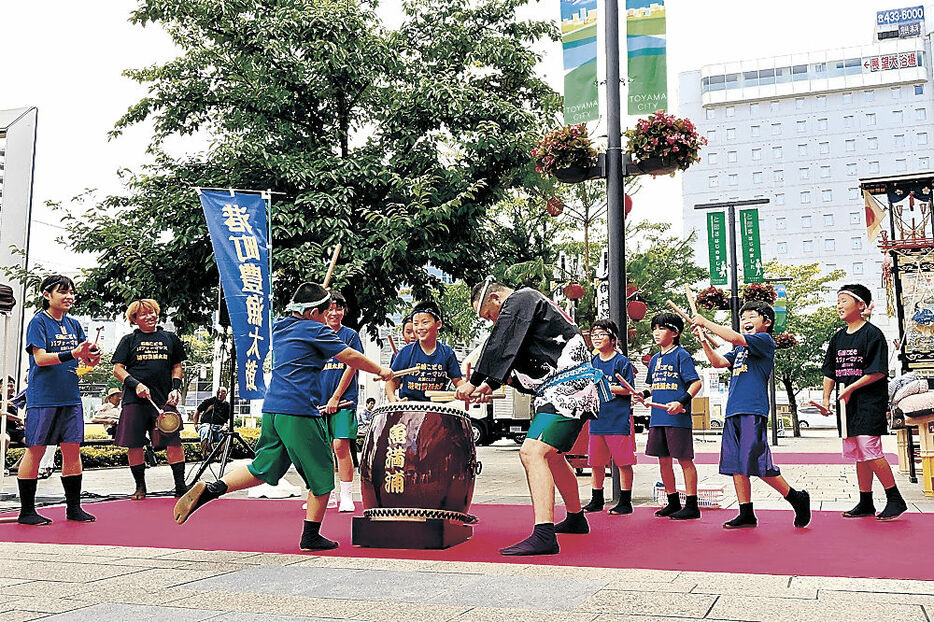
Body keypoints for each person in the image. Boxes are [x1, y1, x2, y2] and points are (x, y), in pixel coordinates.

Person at [173, 282, 394, 552]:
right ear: (314, 313)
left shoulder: (280, 326)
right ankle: (311, 536)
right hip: (299, 410)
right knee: (322, 476)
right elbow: (348, 355)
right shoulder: (316, 328)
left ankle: (212, 489)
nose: (329, 317)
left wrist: (313, 308)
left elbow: (302, 317)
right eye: (325, 312)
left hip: (273, 409)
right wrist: (380, 370)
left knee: (263, 468)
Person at [455, 281, 607, 556]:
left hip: (567, 389)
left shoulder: (521, 299)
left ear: (495, 297)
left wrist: (475, 379)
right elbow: (517, 360)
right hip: (564, 388)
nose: (493, 321)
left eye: (489, 314)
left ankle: (544, 534)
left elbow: (501, 342)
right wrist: (486, 386)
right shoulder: (529, 315)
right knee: (551, 455)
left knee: (531, 452)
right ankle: (575, 517)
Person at [692, 301, 812, 529]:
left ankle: (795, 497)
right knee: (737, 464)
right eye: (743, 317)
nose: (745, 321)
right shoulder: (739, 351)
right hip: (733, 411)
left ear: (766, 322)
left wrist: (705, 321)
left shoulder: (764, 341)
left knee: (756, 461)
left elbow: (736, 337)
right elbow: (717, 362)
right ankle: (746, 512)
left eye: (751, 316)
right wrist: (703, 339)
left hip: (753, 411)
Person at [17, 274, 99, 525]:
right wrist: (72, 352)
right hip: (44, 397)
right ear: (46, 295)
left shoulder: (74, 324)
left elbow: (82, 358)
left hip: (70, 397)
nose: (69, 296)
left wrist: (91, 357)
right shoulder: (38, 322)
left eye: (71, 291)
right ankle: (27, 511)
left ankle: (73, 508)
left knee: (72, 449)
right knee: (36, 449)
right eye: (62, 291)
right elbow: (40, 358)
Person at [821, 284, 907, 521]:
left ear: (861, 305)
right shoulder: (837, 338)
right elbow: (830, 371)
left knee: (869, 449)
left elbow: (878, 372)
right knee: (859, 452)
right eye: (838, 301)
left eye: (844, 300)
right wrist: (826, 399)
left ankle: (895, 498)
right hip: (847, 404)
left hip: (869, 401)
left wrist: (850, 387)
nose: (839, 305)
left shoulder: (873, 334)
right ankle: (866, 501)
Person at [112, 299, 188, 500]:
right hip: (134, 400)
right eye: (144, 314)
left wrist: (175, 389)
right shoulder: (128, 340)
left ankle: (180, 486)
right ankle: (140, 487)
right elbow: (117, 369)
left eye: (153, 312)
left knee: (174, 441)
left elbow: (177, 367)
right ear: (134, 319)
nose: (150, 316)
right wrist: (135, 384)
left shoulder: (170, 338)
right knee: (134, 444)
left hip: (163, 400)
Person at [643, 313, 703, 520]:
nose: (656, 333)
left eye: (661, 328)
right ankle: (673, 500)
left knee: (684, 459)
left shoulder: (681, 355)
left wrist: (681, 402)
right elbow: (651, 386)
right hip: (658, 417)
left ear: (675, 333)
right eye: (654, 328)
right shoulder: (654, 360)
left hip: (677, 417)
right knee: (663, 460)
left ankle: (692, 503)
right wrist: (642, 396)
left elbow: (696, 383)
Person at [582, 320, 638, 516]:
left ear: (613, 338)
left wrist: (605, 387)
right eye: (593, 335)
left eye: (601, 334)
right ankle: (597, 499)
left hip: (617, 419)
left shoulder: (622, 362)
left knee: (623, 462)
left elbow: (628, 389)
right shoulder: (592, 362)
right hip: (597, 418)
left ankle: (625, 500)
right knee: (596, 463)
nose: (596, 338)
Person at [319, 290, 364, 512]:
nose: (334, 312)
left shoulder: (350, 336)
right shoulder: (314, 334)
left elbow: (352, 365)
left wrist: (336, 397)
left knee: (340, 445)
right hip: (317, 402)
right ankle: (326, 494)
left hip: (344, 401)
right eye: (330, 308)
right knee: (323, 449)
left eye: (339, 308)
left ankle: (346, 495)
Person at [386, 301, 464, 402]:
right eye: (416, 324)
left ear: (438, 324)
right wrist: (392, 398)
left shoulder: (447, 353)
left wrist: (469, 389)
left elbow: (458, 381)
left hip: (436, 407)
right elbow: (392, 380)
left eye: (425, 322)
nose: (420, 328)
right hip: (409, 407)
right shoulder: (406, 352)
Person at [194, 387, 231, 457]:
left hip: (219, 427)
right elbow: (197, 411)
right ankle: (206, 453)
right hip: (207, 425)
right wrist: (195, 424)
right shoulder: (210, 401)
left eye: (223, 392)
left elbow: (229, 419)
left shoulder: (227, 405)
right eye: (219, 392)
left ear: (226, 394)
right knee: (206, 431)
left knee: (226, 435)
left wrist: (227, 426)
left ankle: (221, 455)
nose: (220, 394)